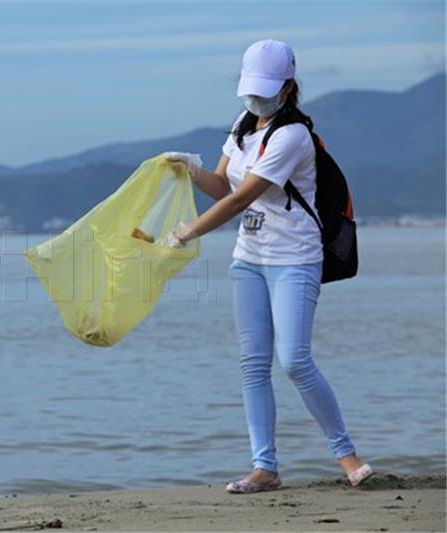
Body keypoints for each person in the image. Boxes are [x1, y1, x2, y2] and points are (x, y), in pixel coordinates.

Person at [165, 39, 374, 493]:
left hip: (294, 259)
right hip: (249, 261)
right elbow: (222, 185)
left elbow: (244, 197)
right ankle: (265, 468)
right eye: (251, 90)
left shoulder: (292, 135)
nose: (255, 99)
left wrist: (189, 232)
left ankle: (347, 455)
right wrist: (189, 168)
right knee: (253, 364)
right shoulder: (242, 126)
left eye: (265, 90)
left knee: (295, 360)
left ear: (288, 87)